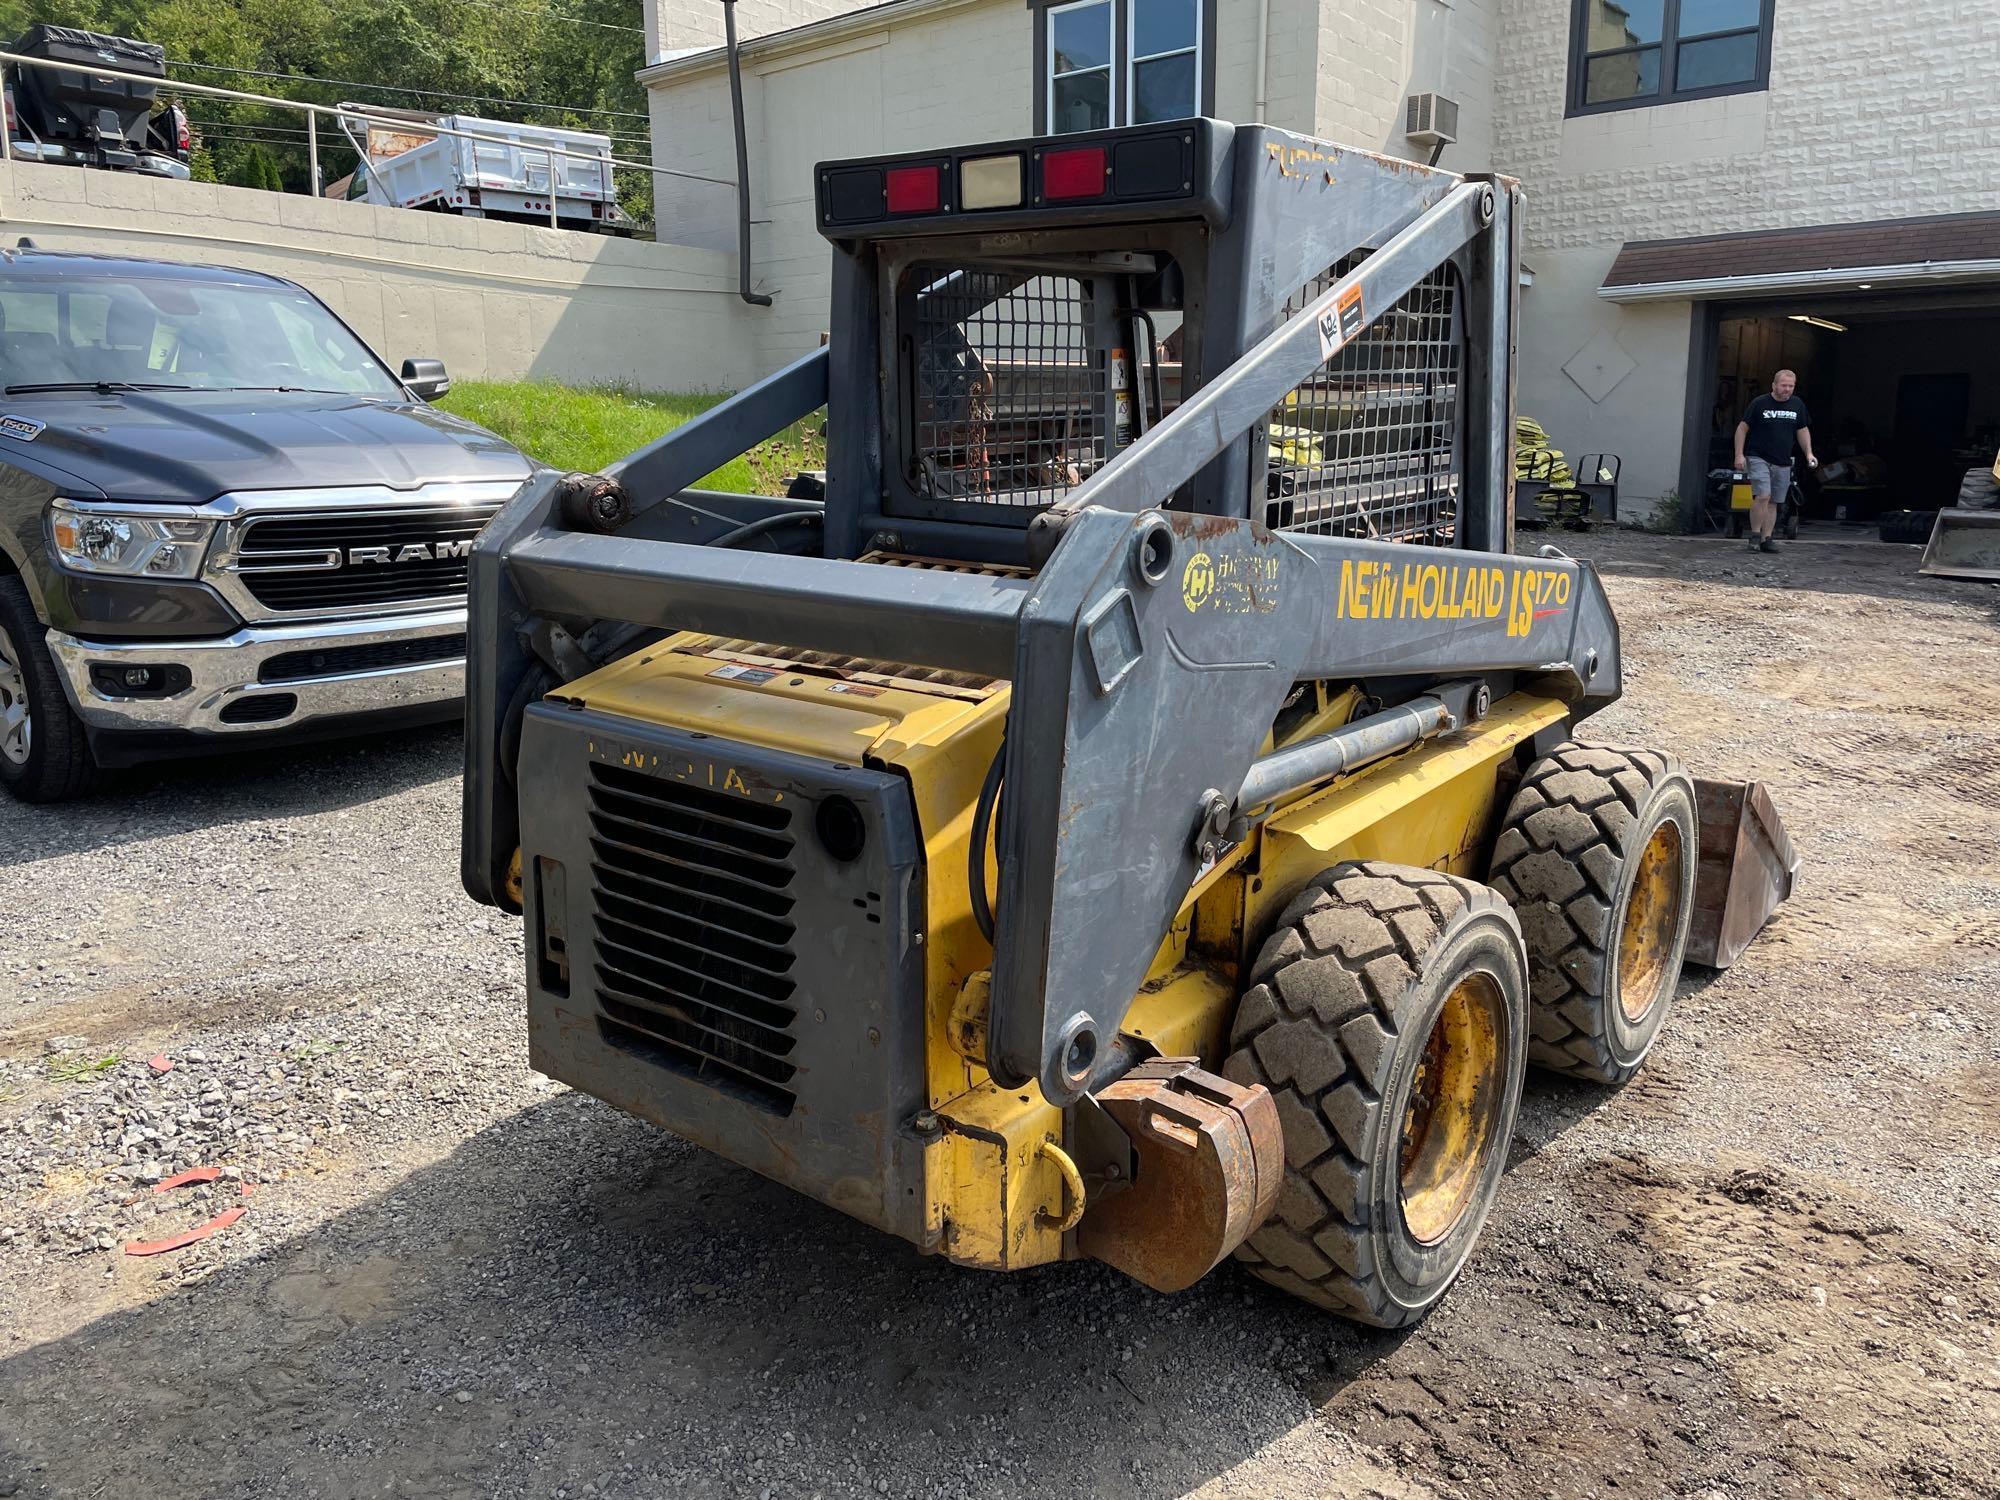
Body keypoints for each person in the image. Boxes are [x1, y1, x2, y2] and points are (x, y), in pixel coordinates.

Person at [1733, 369, 1818, 553]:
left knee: (1774, 501)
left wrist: (1809, 453)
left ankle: (1767, 538)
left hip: (1783, 460)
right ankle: (1754, 536)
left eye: (1791, 386)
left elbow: (1802, 430)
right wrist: (1739, 455)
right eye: (1783, 385)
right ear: (1774, 385)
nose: (1787, 389)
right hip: (1758, 456)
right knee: (1763, 495)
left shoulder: (1797, 405)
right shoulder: (1759, 403)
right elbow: (1742, 429)